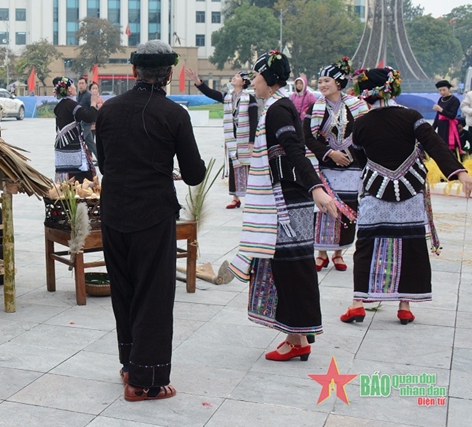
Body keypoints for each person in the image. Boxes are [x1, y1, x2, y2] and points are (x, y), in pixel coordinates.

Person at [96, 40, 205, 402]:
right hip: (153, 215)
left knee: (124, 291)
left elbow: (105, 162)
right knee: (154, 297)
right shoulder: (174, 114)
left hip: (112, 213)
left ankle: (129, 363)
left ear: (133, 72)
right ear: (169, 74)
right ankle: (145, 380)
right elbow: (193, 174)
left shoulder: (108, 110)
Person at [340, 67, 472, 325]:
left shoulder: (360, 123)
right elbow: (434, 144)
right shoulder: (411, 117)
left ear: (366, 94)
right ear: (392, 88)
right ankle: (405, 305)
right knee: (410, 243)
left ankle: (358, 303)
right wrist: (459, 172)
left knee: (367, 244)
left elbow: (359, 156)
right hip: (409, 189)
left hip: (375, 190)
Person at [229, 51, 338, 363]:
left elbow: (293, 150)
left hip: (286, 202)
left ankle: (297, 338)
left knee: (292, 267)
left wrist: (316, 187)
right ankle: (298, 334)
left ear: (269, 78)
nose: (253, 81)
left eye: (257, 75)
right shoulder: (283, 105)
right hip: (290, 197)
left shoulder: (278, 108)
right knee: (291, 266)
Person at [304, 58, 368, 272]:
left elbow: (366, 134)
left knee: (347, 207)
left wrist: (351, 155)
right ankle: (321, 252)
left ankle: (339, 252)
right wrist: (330, 153)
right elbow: (306, 137)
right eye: (320, 81)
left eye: (327, 80)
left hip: (351, 167)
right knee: (322, 208)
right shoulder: (315, 108)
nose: (322, 85)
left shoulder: (357, 106)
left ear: (338, 82)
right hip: (324, 166)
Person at [186, 67, 258, 209]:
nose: (234, 78)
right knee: (232, 166)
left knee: (248, 167)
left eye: (237, 76)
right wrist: (197, 81)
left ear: (243, 82)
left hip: (244, 138)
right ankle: (235, 197)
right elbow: (210, 93)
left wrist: (251, 141)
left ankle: (252, 198)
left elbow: (254, 120)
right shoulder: (227, 97)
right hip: (232, 138)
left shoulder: (249, 98)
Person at [53, 76, 97, 183]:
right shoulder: (72, 105)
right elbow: (88, 117)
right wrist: (93, 103)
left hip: (62, 147)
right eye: (72, 84)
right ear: (69, 89)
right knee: (82, 176)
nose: (75, 86)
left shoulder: (58, 106)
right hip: (73, 146)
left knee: (65, 175)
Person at [433, 79, 461, 156]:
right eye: (440, 90)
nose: (442, 92)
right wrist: (433, 128)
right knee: (441, 145)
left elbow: (452, 115)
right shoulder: (441, 99)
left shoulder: (454, 100)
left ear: (449, 89)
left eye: (444, 90)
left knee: (450, 146)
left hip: (450, 126)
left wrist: (441, 110)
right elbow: (438, 115)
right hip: (441, 125)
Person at [76, 76, 97, 157]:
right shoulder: (78, 95)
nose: (81, 85)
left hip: (87, 123)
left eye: (82, 83)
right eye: (79, 83)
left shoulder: (89, 95)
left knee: (82, 139)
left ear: (86, 85)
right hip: (81, 123)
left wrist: (94, 120)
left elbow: (94, 107)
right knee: (90, 143)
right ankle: (100, 158)